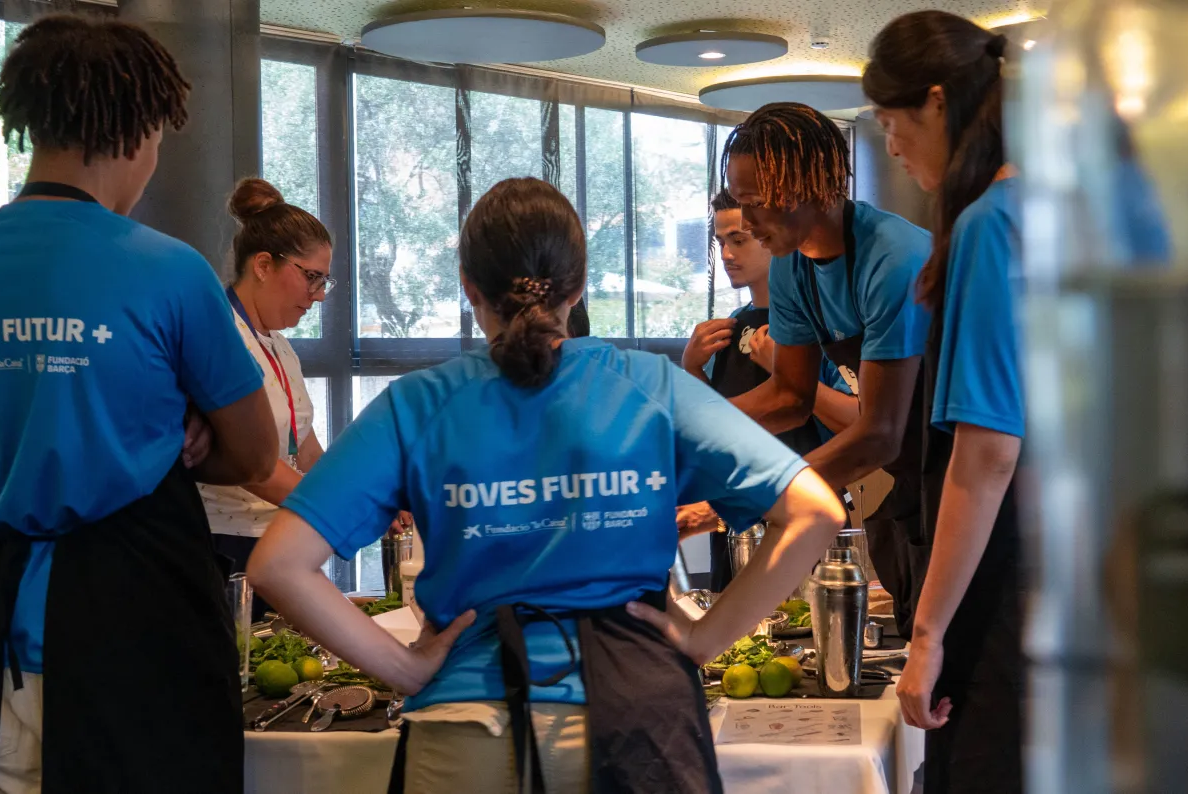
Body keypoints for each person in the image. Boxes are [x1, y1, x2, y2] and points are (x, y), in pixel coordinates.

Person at [247, 177, 844, 793]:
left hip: (469, 727)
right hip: (639, 721)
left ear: (470, 289)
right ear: (579, 287)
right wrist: (702, 639)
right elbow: (814, 512)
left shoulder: (417, 405)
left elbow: (278, 565)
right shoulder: (649, 385)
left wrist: (405, 668)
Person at [0, 15, 277, 794]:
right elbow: (256, 456)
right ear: (139, 125)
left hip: (4, 632)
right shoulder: (169, 271)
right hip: (140, 631)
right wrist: (189, 434)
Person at [863, 11, 1025, 793]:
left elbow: (986, 456)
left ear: (936, 102)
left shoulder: (992, 225)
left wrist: (924, 636)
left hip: (1009, 592)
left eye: (893, 122)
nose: (890, 144)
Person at [721, 102, 934, 636]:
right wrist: (685, 434)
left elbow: (879, 433)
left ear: (809, 187)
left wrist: (739, 500)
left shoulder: (896, 259)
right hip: (911, 487)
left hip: (973, 481)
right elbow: (789, 395)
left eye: (755, 204)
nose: (746, 223)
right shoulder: (794, 264)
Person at [680, 188, 858, 589]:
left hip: (806, 516)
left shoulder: (823, 325)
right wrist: (691, 368)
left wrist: (793, 377)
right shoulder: (723, 332)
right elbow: (716, 430)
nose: (726, 254)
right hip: (734, 520)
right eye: (721, 242)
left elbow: (861, 424)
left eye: (739, 239)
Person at [200, 178, 332, 604]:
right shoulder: (218, 334)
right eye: (312, 277)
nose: (320, 295)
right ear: (262, 266)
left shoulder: (277, 342)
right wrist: (340, 505)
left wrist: (363, 487)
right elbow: (249, 463)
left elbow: (303, 447)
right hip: (224, 547)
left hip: (278, 537)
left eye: (325, 280)